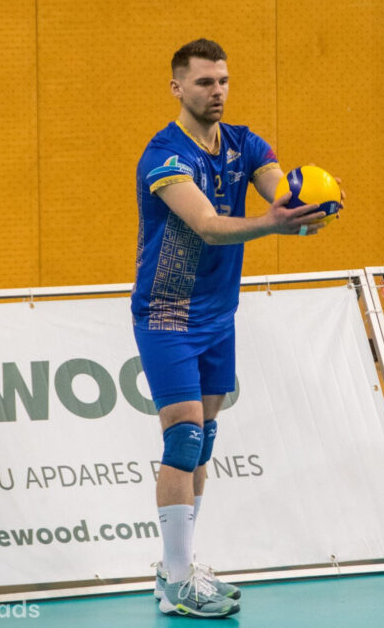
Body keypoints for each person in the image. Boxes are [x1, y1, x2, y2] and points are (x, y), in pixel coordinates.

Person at [132, 38, 330, 619]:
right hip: (168, 313)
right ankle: (175, 581)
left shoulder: (246, 144)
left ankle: (180, 566)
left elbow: (281, 193)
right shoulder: (165, 157)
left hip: (220, 313)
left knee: (206, 440)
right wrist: (273, 224)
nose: (216, 91)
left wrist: (309, 204)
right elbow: (209, 225)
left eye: (222, 81)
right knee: (183, 438)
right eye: (203, 83)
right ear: (177, 88)